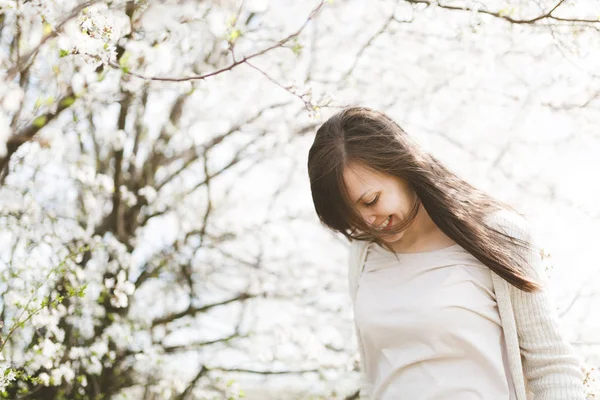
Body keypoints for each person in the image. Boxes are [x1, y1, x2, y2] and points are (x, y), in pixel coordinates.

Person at [306, 106, 585, 400]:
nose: (366, 221)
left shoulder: (499, 234)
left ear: (399, 166)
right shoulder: (363, 253)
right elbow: (373, 378)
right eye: (351, 215)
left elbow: (552, 367)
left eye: (371, 201)